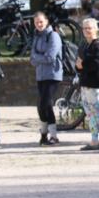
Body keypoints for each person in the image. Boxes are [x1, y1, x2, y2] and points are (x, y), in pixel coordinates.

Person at [76, 17, 99, 151]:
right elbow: (78, 63)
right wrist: (79, 66)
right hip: (84, 83)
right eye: (85, 28)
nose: (87, 30)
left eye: (90, 28)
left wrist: (82, 65)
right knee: (89, 113)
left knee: (97, 112)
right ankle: (94, 139)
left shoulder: (97, 45)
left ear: (96, 29)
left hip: (95, 85)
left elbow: (97, 64)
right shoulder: (84, 45)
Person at [30, 11, 62, 145]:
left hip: (53, 75)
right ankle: (43, 135)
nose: (39, 24)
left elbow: (50, 57)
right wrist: (38, 57)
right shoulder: (36, 36)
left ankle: (53, 136)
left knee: (46, 104)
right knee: (40, 106)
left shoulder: (53, 36)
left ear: (46, 21)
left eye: (41, 21)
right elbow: (32, 59)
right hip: (40, 75)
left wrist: (37, 57)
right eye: (36, 22)